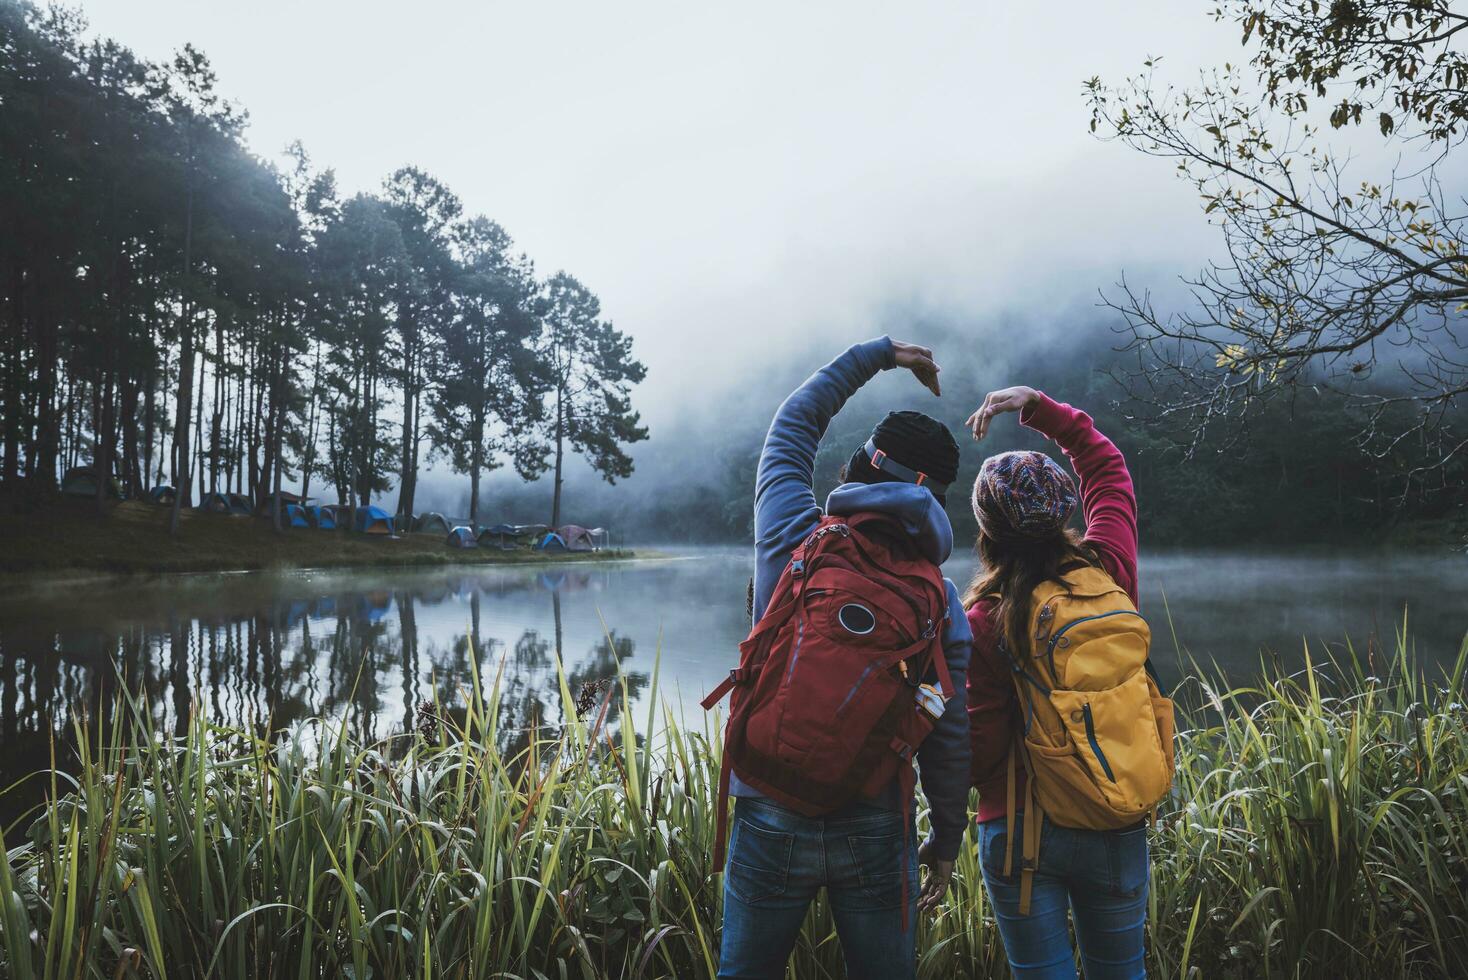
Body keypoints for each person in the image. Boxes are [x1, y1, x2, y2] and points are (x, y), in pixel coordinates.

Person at [713, 337, 973, 980]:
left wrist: (879, 355)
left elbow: (793, 426)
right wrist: (945, 838)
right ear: (937, 505)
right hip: (876, 816)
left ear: (859, 468)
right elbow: (949, 731)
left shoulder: (792, 534)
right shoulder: (939, 598)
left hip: (768, 802)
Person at [962, 385, 1160, 980]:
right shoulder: (1107, 573)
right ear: (1065, 513)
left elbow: (979, 750)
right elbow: (1108, 468)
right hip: (1113, 811)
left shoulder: (984, 619)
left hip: (1022, 830)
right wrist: (1040, 408)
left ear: (987, 532)